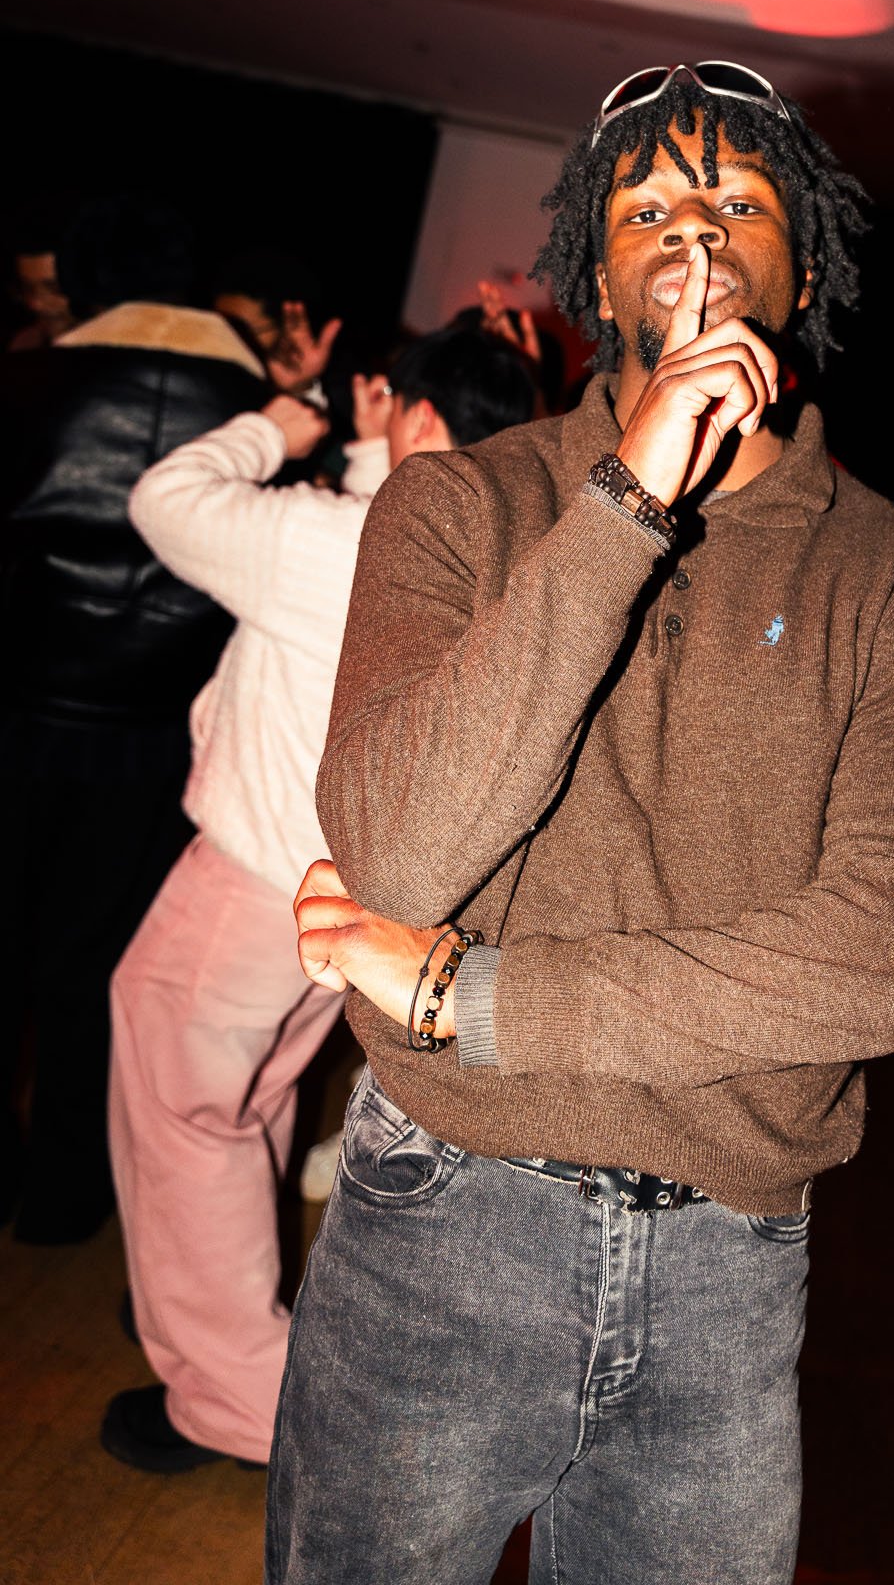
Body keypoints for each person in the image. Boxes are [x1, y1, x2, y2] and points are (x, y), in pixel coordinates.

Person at [267, 61, 894, 1585]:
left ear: (807, 266)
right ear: (595, 279)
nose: (694, 229)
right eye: (646, 207)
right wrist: (625, 502)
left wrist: (474, 997)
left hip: (732, 1265)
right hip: (438, 1219)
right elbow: (398, 851)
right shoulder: (456, 508)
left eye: (739, 202)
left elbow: (893, 957)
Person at [101, 327, 536, 1475]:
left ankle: (235, 1399)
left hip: (255, 877)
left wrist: (277, 419)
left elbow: (164, 499)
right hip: (354, 897)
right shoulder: (491, 550)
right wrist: (366, 435)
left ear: (421, 419)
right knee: (244, 1103)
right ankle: (204, 1300)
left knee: (186, 1110)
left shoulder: (337, 538)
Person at [0, 198, 265, 1243]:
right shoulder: (250, 401)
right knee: (99, 967)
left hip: (19, 715)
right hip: (158, 736)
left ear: (80, 281)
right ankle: (67, 1196)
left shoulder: (26, 381)